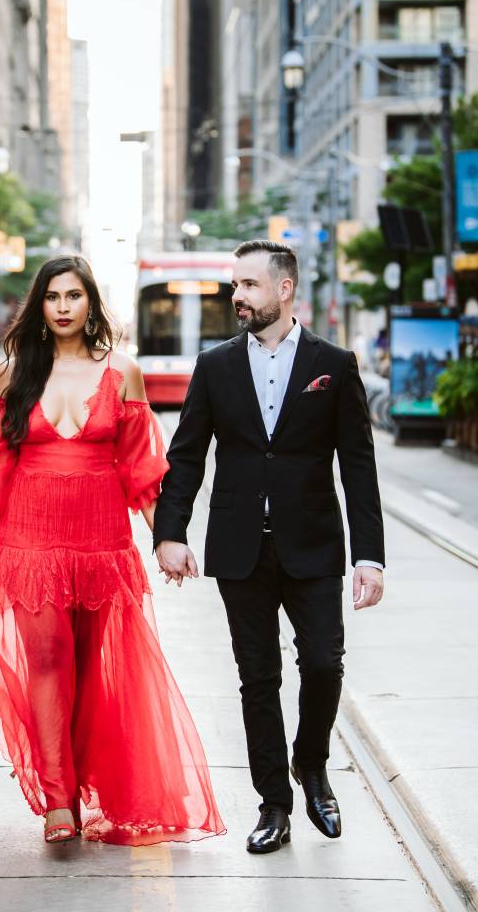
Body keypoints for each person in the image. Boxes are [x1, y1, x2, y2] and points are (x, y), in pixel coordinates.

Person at [0, 255, 224, 847]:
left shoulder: (124, 372)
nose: (64, 306)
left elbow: (141, 471)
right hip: (29, 542)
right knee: (46, 667)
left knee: (93, 673)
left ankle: (90, 780)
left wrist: (165, 537)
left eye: (74, 295)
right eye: (53, 297)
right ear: (39, 307)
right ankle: (59, 800)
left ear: (91, 303)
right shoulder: (12, 376)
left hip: (102, 545)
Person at [153, 240, 384, 854]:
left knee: (324, 666)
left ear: (285, 290)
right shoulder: (216, 365)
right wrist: (170, 533)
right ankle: (274, 805)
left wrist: (370, 557)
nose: (238, 297)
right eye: (236, 286)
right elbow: (187, 455)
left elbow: (358, 467)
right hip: (239, 551)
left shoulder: (334, 364)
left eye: (250, 286)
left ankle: (311, 764)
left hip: (312, 546)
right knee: (257, 678)